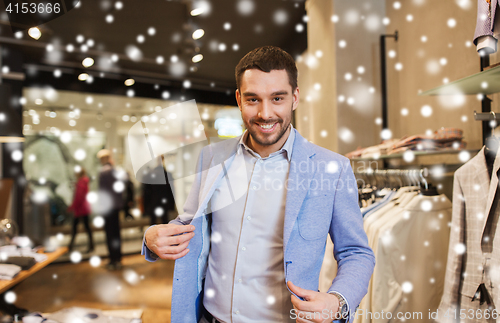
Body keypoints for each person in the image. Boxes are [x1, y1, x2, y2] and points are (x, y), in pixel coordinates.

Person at [142, 46, 375, 323]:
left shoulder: (331, 168)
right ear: (239, 99)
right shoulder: (212, 157)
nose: (265, 113)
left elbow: (356, 252)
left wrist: (338, 301)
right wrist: (152, 238)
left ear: (295, 98)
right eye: (253, 99)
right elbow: (188, 224)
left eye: (277, 98)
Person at [97, 149, 123, 270]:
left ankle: (113, 259)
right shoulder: (115, 171)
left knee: (109, 233)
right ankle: (118, 258)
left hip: (108, 207)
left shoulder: (103, 172)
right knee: (116, 233)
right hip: (116, 206)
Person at [142, 156, 176, 225]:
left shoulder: (149, 174)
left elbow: (146, 192)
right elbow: (172, 191)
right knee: (165, 222)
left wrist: (146, 207)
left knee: (153, 223)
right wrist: (172, 205)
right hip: (164, 203)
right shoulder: (168, 174)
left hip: (153, 202)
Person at [68, 167, 94, 253]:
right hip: (83, 208)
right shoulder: (83, 181)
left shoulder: (81, 182)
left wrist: (72, 207)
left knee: (76, 228)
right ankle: (91, 246)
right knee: (86, 228)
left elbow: (79, 197)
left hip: (80, 209)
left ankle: (70, 247)